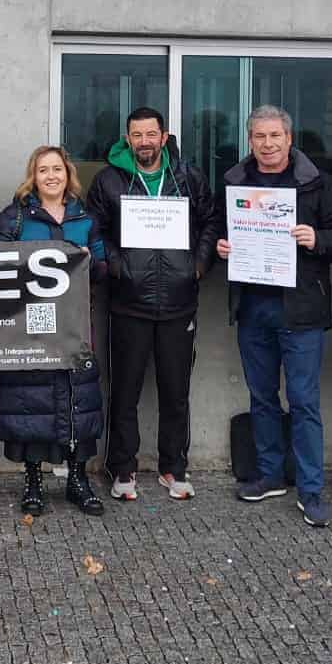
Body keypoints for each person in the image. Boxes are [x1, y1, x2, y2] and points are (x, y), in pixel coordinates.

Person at [215, 106, 332, 528]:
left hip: (302, 308)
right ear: (249, 140)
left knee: (305, 402)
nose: (268, 144)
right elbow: (222, 230)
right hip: (254, 306)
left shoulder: (316, 183)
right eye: (259, 136)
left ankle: (311, 490)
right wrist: (224, 249)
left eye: (275, 136)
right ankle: (270, 474)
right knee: (262, 396)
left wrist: (317, 239)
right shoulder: (236, 181)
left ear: (289, 139)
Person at [85, 107, 218, 503]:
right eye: (136, 134)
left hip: (179, 301)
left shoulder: (187, 177)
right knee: (124, 391)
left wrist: (198, 264)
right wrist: (117, 265)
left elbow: (211, 221)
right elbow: (95, 230)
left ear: (164, 137)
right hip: (128, 301)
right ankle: (122, 468)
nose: (144, 141)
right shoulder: (110, 180)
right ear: (127, 138)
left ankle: (173, 467)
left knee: (176, 392)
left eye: (150, 134)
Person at [0, 146, 107, 516]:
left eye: (57, 169)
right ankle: (33, 480)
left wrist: (93, 262)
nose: (51, 176)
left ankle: (77, 478)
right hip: (31, 323)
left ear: (68, 173)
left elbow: (104, 264)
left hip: (75, 321)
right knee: (32, 399)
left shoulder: (85, 216)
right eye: (44, 170)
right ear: (34, 176)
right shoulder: (15, 218)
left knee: (78, 395)